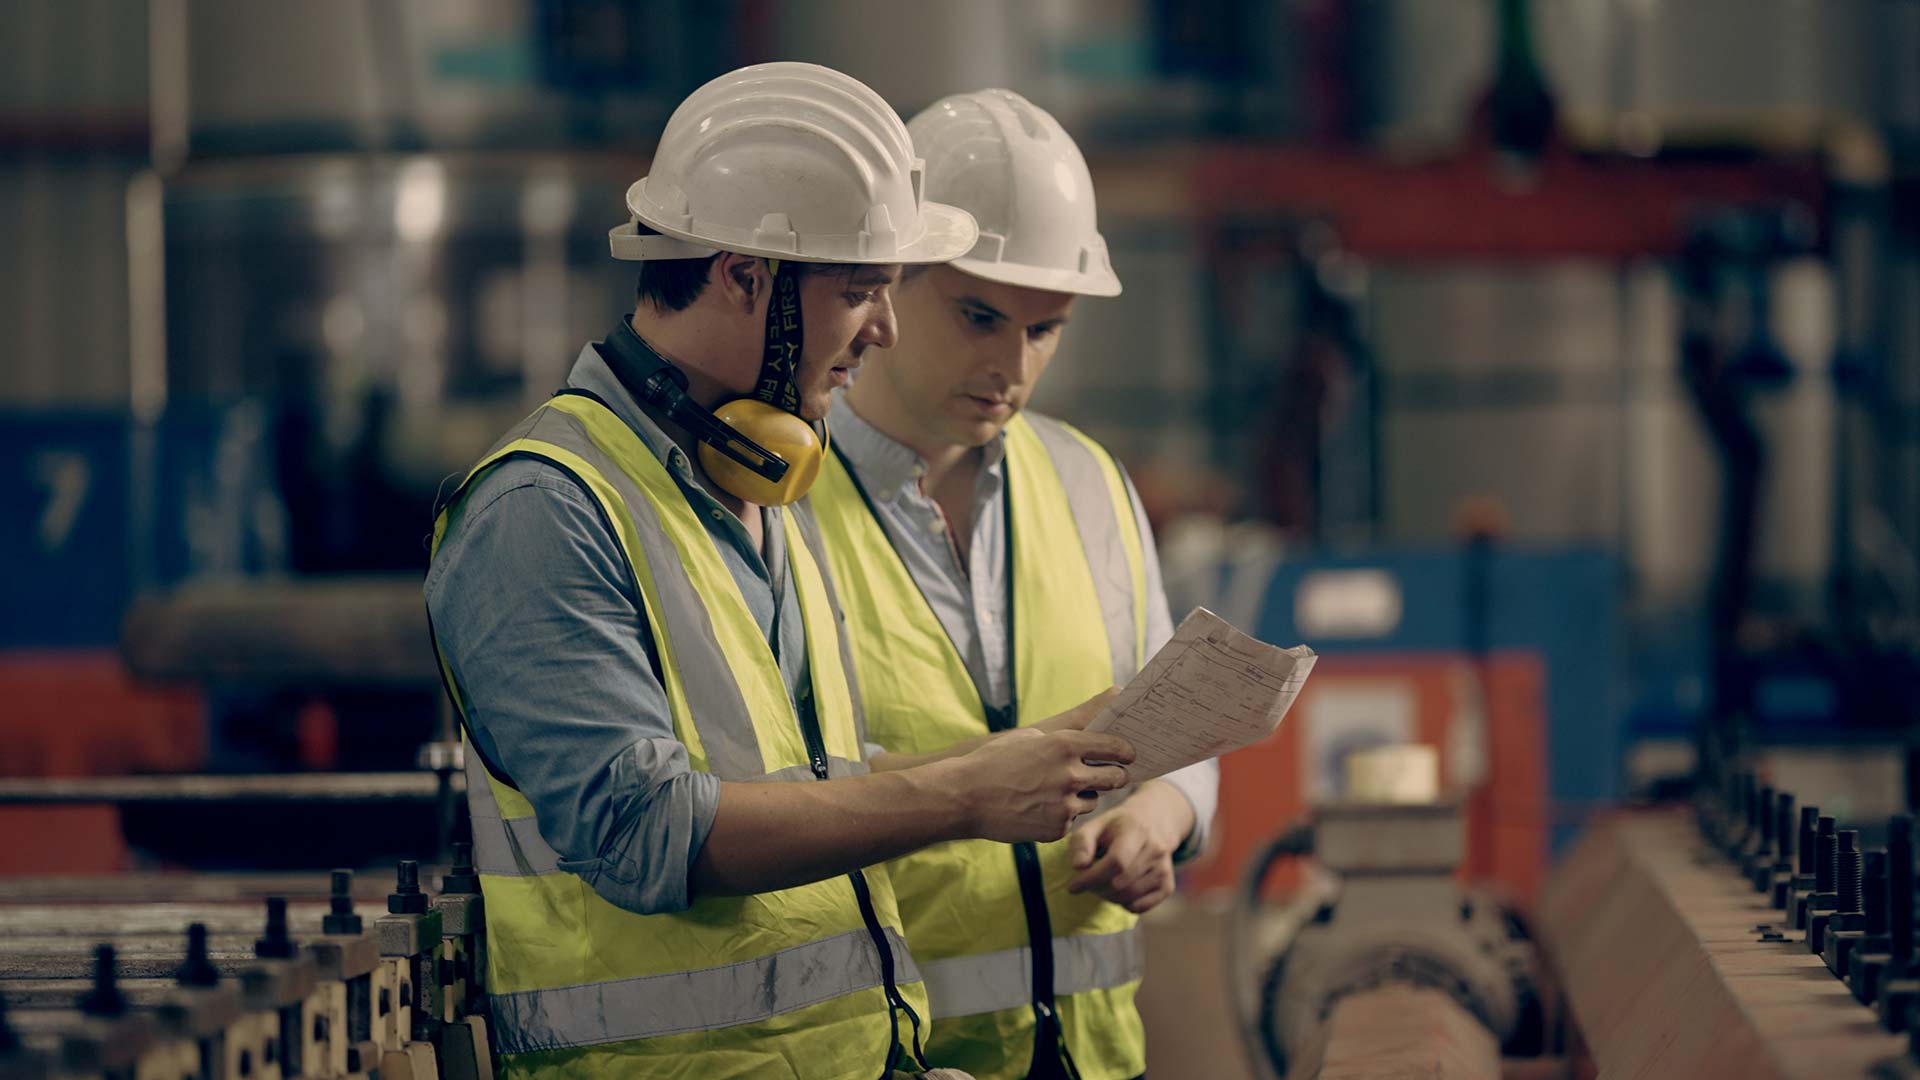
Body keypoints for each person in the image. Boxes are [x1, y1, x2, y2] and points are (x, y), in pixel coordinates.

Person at [424, 64, 1135, 1079]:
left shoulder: (756, 481)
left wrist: (1020, 759)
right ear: (741, 274)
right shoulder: (543, 513)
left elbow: (807, 789)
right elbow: (645, 831)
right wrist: (967, 797)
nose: (884, 328)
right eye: (860, 290)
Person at [805, 88, 1220, 1080]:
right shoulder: (777, 501)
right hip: (890, 1055)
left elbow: (1175, 732)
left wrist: (1155, 823)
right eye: (980, 316)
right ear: (887, 282)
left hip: (1086, 1056)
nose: (1011, 367)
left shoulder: (1086, 482)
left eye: (1045, 329)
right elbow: (752, 802)